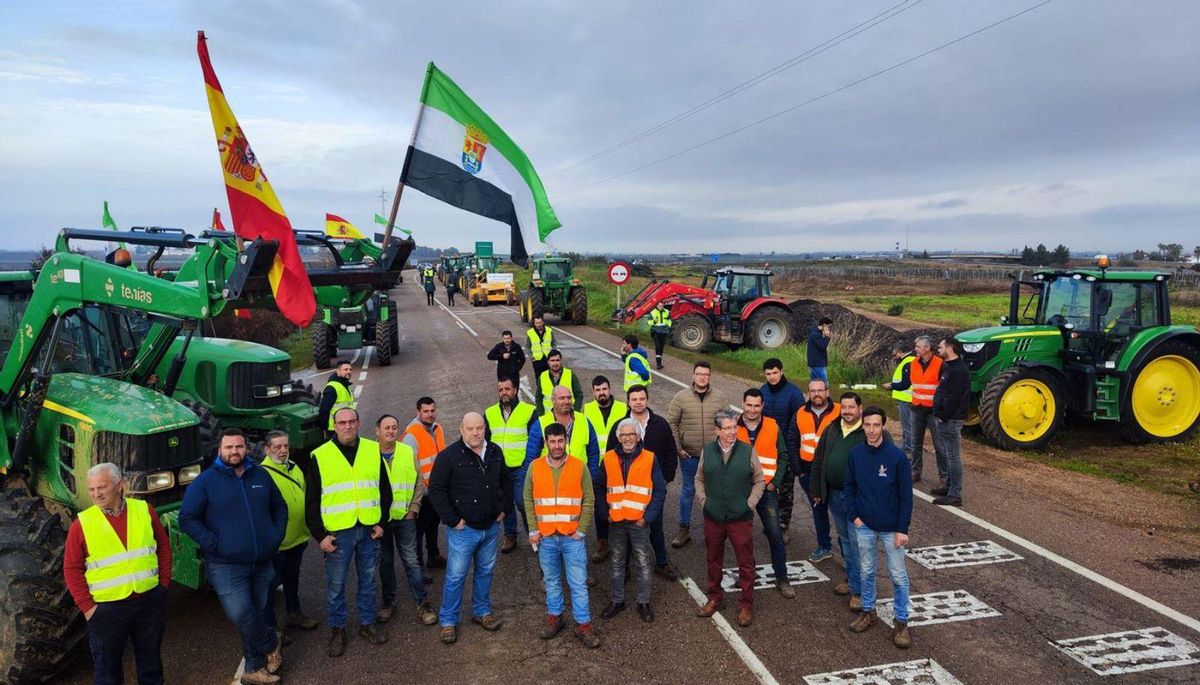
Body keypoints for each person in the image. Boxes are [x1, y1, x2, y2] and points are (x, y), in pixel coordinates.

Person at [180, 429, 287, 683]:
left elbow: (279, 506)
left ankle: (253, 668)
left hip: (261, 560)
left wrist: (275, 535)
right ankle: (272, 642)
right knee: (240, 613)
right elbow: (187, 518)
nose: (234, 452)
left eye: (239, 447)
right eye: (228, 447)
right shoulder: (206, 481)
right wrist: (213, 542)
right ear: (220, 450)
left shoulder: (260, 474)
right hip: (225, 564)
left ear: (246, 449)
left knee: (257, 612)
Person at [64, 463, 171, 685]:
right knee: (107, 671)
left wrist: (163, 586)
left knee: (150, 662)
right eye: (92, 489)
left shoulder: (144, 510)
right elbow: (71, 569)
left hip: (148, 601)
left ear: (119, 485)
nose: (96, 494)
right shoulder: (81, 524)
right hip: (106, 609)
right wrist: (88, 608)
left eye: (101, 487)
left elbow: (163, 546)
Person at [304, 407, 391, 656]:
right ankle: (337, 630)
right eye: (342, 422)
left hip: (368, 529)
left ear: (359, 423)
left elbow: (384, 489)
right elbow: (311, 500)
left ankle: (367, 624)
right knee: (336, 586)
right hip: (338, 534)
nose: (348, 426)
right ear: (334, 426)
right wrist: (320, 536)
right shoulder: (320, 455)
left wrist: (382, 522)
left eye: (352, 421)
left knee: (368, 581)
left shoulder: (372, 450)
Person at [427, 413, 512, 645]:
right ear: (461, 429)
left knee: (485, 571)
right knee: (456, 576)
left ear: (484, 428)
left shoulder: (495, 452)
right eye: (470, 429)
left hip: (491, 527)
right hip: (463, 531)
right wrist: (453, 520)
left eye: (479, 428)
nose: (475, 433)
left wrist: (503, 509)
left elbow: (506, 481)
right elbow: (436, 490)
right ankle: (448, 621)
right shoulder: (448, 457)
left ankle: (482, 612)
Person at [809, 392, 891, 611]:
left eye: (851, 408)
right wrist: (817, 488)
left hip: (859, 498)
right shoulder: (832, 428)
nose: (847, 411)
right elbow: (819, 459)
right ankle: (852, 579)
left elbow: (887, 465)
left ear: (860, 408)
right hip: (835, 495)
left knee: (858, 544)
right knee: (844, 540)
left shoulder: (870, 432)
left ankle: (860, 591)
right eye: (843, 407)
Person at [524, 422, 601, 648]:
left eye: (560, 441)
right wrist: (533, 529)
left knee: (578, 583)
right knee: (552, 581)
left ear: (566, 441)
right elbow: (528, 499)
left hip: (571, 537)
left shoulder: (579, 467)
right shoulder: (535, 467)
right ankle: (555, 617)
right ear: (546, 442)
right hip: (546, 537)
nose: (557, 446)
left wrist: (581, 530)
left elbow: (589, 499)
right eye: (552, 441)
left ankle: (583, 625)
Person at [846, 407, 914, 649]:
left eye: (876, 425)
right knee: (866, 571)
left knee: (898, 576)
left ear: (883, 425)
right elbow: (849, 486)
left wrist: (902, 529)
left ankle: (901, 622)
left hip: (891, 529)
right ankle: (868, 611)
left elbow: (906, 497)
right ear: (862, 426)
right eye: (867, 425)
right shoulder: (855, 455)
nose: (871, 430)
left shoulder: (897, 458)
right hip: (864, 526)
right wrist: (854, 516)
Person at [695, 409, 765, 628]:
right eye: (727, 428)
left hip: (739, 517)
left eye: (735, 427)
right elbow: (699, 478)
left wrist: (750, 503)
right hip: (713, 516)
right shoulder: (707, 451)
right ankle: (715, 597)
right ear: (717, 430)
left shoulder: (747, 451)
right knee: (713, 558)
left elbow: (759, 480)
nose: (733, 432)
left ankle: (746, 603)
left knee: (745, 561)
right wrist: (704, 501)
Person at [605, 384, 681, 580]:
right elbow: (610, 455)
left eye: (642, 398)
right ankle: (626, 568)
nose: (638, 402)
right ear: (628, 401)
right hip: (627, 492)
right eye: (634, 399)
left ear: (647, 400)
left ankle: (662, 563)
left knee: (655, 526)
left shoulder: (660, 424)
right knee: (627, 528)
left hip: (654, 488)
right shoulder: (620, 426)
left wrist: (666, 478)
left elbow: (671, 452)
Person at [597, 418, 666, 623]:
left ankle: (643, 602)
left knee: (643, 563)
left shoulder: (650, 458)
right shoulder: (608, 458)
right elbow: (599, 487)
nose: (628, 438)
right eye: (624, 435)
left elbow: (660, 490)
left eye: (631, 434)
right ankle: (617, 601)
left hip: (639, 523)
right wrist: (605, 515)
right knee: (617, 562)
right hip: (616, 522)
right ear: (618, 437)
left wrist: (648, 517)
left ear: (638, 436)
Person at [375, 415, 437, 627]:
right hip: (380, 522)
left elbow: (418, 482)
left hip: (405, 518)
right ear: (377, 431)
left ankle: (423, 603)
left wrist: (414, 508)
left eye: (394, 427)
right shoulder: (369, 455)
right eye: (386, 428)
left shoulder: (406, 452)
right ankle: (389, 602)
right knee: (386, 563)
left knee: (411, 561)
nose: (391, 431)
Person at [260, 431, 318, 638]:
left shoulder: (294, 468)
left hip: (298, 537)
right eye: (277, 447)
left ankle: (294, 614)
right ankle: (272, 630)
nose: (283, 450)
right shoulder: (262, 474)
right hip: (279, 543)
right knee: (270, 586)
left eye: (285, 446)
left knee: (292, 579)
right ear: (267, 449)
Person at [666, 361, 729, 549]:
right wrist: (678, 448)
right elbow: (671, 423)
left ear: (710, 376)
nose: (702, 377)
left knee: (713, 493)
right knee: (688, 491)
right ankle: (684, 529)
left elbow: (728, 424)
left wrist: (724, 449)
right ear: (693, 375)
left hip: (714, 456)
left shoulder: (720, 397)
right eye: (699, 374)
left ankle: (713, 531)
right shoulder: (680, 397)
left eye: (706, 374)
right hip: (689, 456)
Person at [736, 389, 792, 598]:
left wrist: (775, 483)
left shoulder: (772, 425)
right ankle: (747, 575)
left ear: (763, 406)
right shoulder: (733, 426)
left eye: (756, 405)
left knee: (775, 534)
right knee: (743, 537)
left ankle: (782, 578)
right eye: (749, 405)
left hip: (766, 491)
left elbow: (784, 456)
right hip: (741, 492)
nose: (752, 409)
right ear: (743, 403)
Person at [785, 379, 839, 559]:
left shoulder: (839, 411)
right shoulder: (800, 413)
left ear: (827, 392)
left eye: (820, 390)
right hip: (809, 472)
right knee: (818, 510)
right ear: (808, 394)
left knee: (840, 512)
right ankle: (824, 546)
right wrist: (799, 471)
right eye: (813, 391)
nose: (817, 394)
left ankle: (848, 552)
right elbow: (792, 442)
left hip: (833, 472)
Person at [483, 377, 538, 553]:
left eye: (507, 389)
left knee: (523, 502)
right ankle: (510, 535)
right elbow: (486, 440)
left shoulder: (529, 411)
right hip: (499, 469)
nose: (504, 393)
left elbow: (536, 439)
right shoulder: (490, 413)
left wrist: (529, 463)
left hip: (521, 467)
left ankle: (533, 533)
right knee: (505, 503)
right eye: (501, 390)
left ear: (515, 390)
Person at [759, 357, 806, 542]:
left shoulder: (794, 394)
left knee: (786, 491)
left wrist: (794, 453)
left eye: (775, 373)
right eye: (768, 374)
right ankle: (771, 522)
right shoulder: (762, 391)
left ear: (782, 371)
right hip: (766, 452)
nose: (771, 377)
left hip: (786, 452)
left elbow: (801, 423)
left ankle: (783, 525)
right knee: (767, 489)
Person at [582, 375, 627, 562]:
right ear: (593, 392)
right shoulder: (587, 409)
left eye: (604, 389)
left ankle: (621, 540)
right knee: (599, 504)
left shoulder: (622, 408)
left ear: (610, 389)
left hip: (619, 464)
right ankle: (602, 541)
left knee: (619, 502)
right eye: (598, 390)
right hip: (597, 465)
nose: (602, 393)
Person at [402, 397, 448, 574]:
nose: (430, 414)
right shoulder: (411, 436)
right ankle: (418, 568)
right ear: (418, 412)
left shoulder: (437, 428)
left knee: (433, 525)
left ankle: (433, 556)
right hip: (422, 493)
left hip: (436, 490)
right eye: (426, 411)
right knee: (418, 531)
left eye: (432, 410)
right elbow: (409, 469)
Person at [932, 337, 969, 507]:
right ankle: (948, 486)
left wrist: (943, 415)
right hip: (945, 418)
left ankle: (954, 494)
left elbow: (953, 398)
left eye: (941, 346)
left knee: (953, 456)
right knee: (947, 454)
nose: (938, 349)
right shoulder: (950, 368)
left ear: (950, 349)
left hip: (950, 420)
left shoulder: (958, 371)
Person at [907, 335, 944, 484]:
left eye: (918, 346)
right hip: (917, 409)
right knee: (915, 443)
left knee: (940, 446)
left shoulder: (941, 364)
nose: (915, 349)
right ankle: (915, 471)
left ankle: (944, 477)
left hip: (934, 412)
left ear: (927, 348)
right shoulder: (913, 363)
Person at [881, 343, 917, 463]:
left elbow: (906, 383)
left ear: (901, 352)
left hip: (907, 399)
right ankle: (907, 449)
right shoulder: (909, 360)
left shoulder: (908, 362)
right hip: (906, 399)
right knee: (908, 427)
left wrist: (891, 386)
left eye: (895, 354)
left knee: (907, 427)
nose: (894, 357)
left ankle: (908, 451)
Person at [534, 349, 582, 415]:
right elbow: (538, 397)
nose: (555, 363)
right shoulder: (543, 376)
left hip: (568, 415)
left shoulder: (570, 374)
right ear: (548, 362)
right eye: (552, 360)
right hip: (549, 417)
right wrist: (541, 414)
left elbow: (579, 394)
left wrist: (575, 412)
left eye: (557, 360)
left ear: (561, 361)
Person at [318, 359, 355, 435]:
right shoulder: (332, 388)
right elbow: (324, 410)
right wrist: (324, 429)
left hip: (346, 427)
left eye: (350, 369)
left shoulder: (345, 385)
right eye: (345, 369)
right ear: (338, 371)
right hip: (335, 430)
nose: (349, 371)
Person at [526, 315, 554, 385]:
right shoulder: (530, 333)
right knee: (539, 379)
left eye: (540, 322)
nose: (539, 324)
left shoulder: (549, 330)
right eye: (537, 323)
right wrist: (531, 356)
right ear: (534, 324)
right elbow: (527, 346)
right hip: (537, 360)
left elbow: (554, 343)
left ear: (543, 322)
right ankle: (540, 393)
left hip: (548, 359)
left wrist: (553, 353)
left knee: (550, 378)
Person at [807, 317, 833, 382]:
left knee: (814, 383)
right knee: (824, 384)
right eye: (828, 326)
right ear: (824, 325)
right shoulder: (815, 334)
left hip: (815, 363)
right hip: (817, 364)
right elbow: (822, 346)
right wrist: (827, 337)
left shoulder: (816, 332)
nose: (828, 329)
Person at [648, 301, 672, 369]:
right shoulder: (653, 312)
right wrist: (654, 321)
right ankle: (658, 364)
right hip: (655, 332)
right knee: (658, 347)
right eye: (660, 306)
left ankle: (660, 363)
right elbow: (649, 322)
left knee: (661, 348)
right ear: (657, 306)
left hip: (664, 332)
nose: (661, 307)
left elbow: (669, 320)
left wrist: (669, 326)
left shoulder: (667, 312)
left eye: (662, 306)